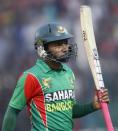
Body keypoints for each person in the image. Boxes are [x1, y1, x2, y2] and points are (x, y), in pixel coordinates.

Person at [2, 23, 109, 131]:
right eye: (58, 44)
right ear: (42, 48)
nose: (65, 48)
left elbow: (70, 110)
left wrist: (92, 106)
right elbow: (12, 111)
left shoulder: (68, 73)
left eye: (65, 43)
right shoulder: (31, 76)